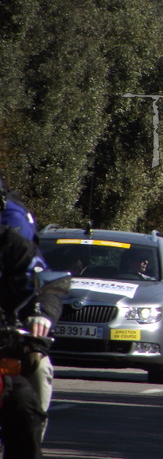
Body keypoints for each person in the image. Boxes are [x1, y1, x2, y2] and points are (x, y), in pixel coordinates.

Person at [1, 174, 58, 450]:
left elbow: (45, 283)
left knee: (36, 371)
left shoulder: (13, 243)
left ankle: (33, 440)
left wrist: (40, 313)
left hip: (7, 335)